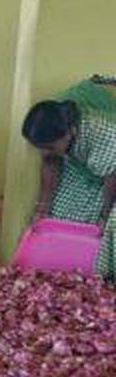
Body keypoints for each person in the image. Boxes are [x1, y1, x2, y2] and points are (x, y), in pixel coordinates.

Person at [22, 85, 115, 280]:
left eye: (49, 147)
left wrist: (104, 216)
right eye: (40, 148)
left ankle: (100, 273)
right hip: (84, 165)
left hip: (111, 173)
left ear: (71, 132)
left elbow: (111, 176)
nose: (44, 152)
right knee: (60, 215)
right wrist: (42, 209)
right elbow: (50, 162)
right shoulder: (52, 128)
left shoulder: (101, 131)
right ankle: (62, 267)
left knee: (107, 226)